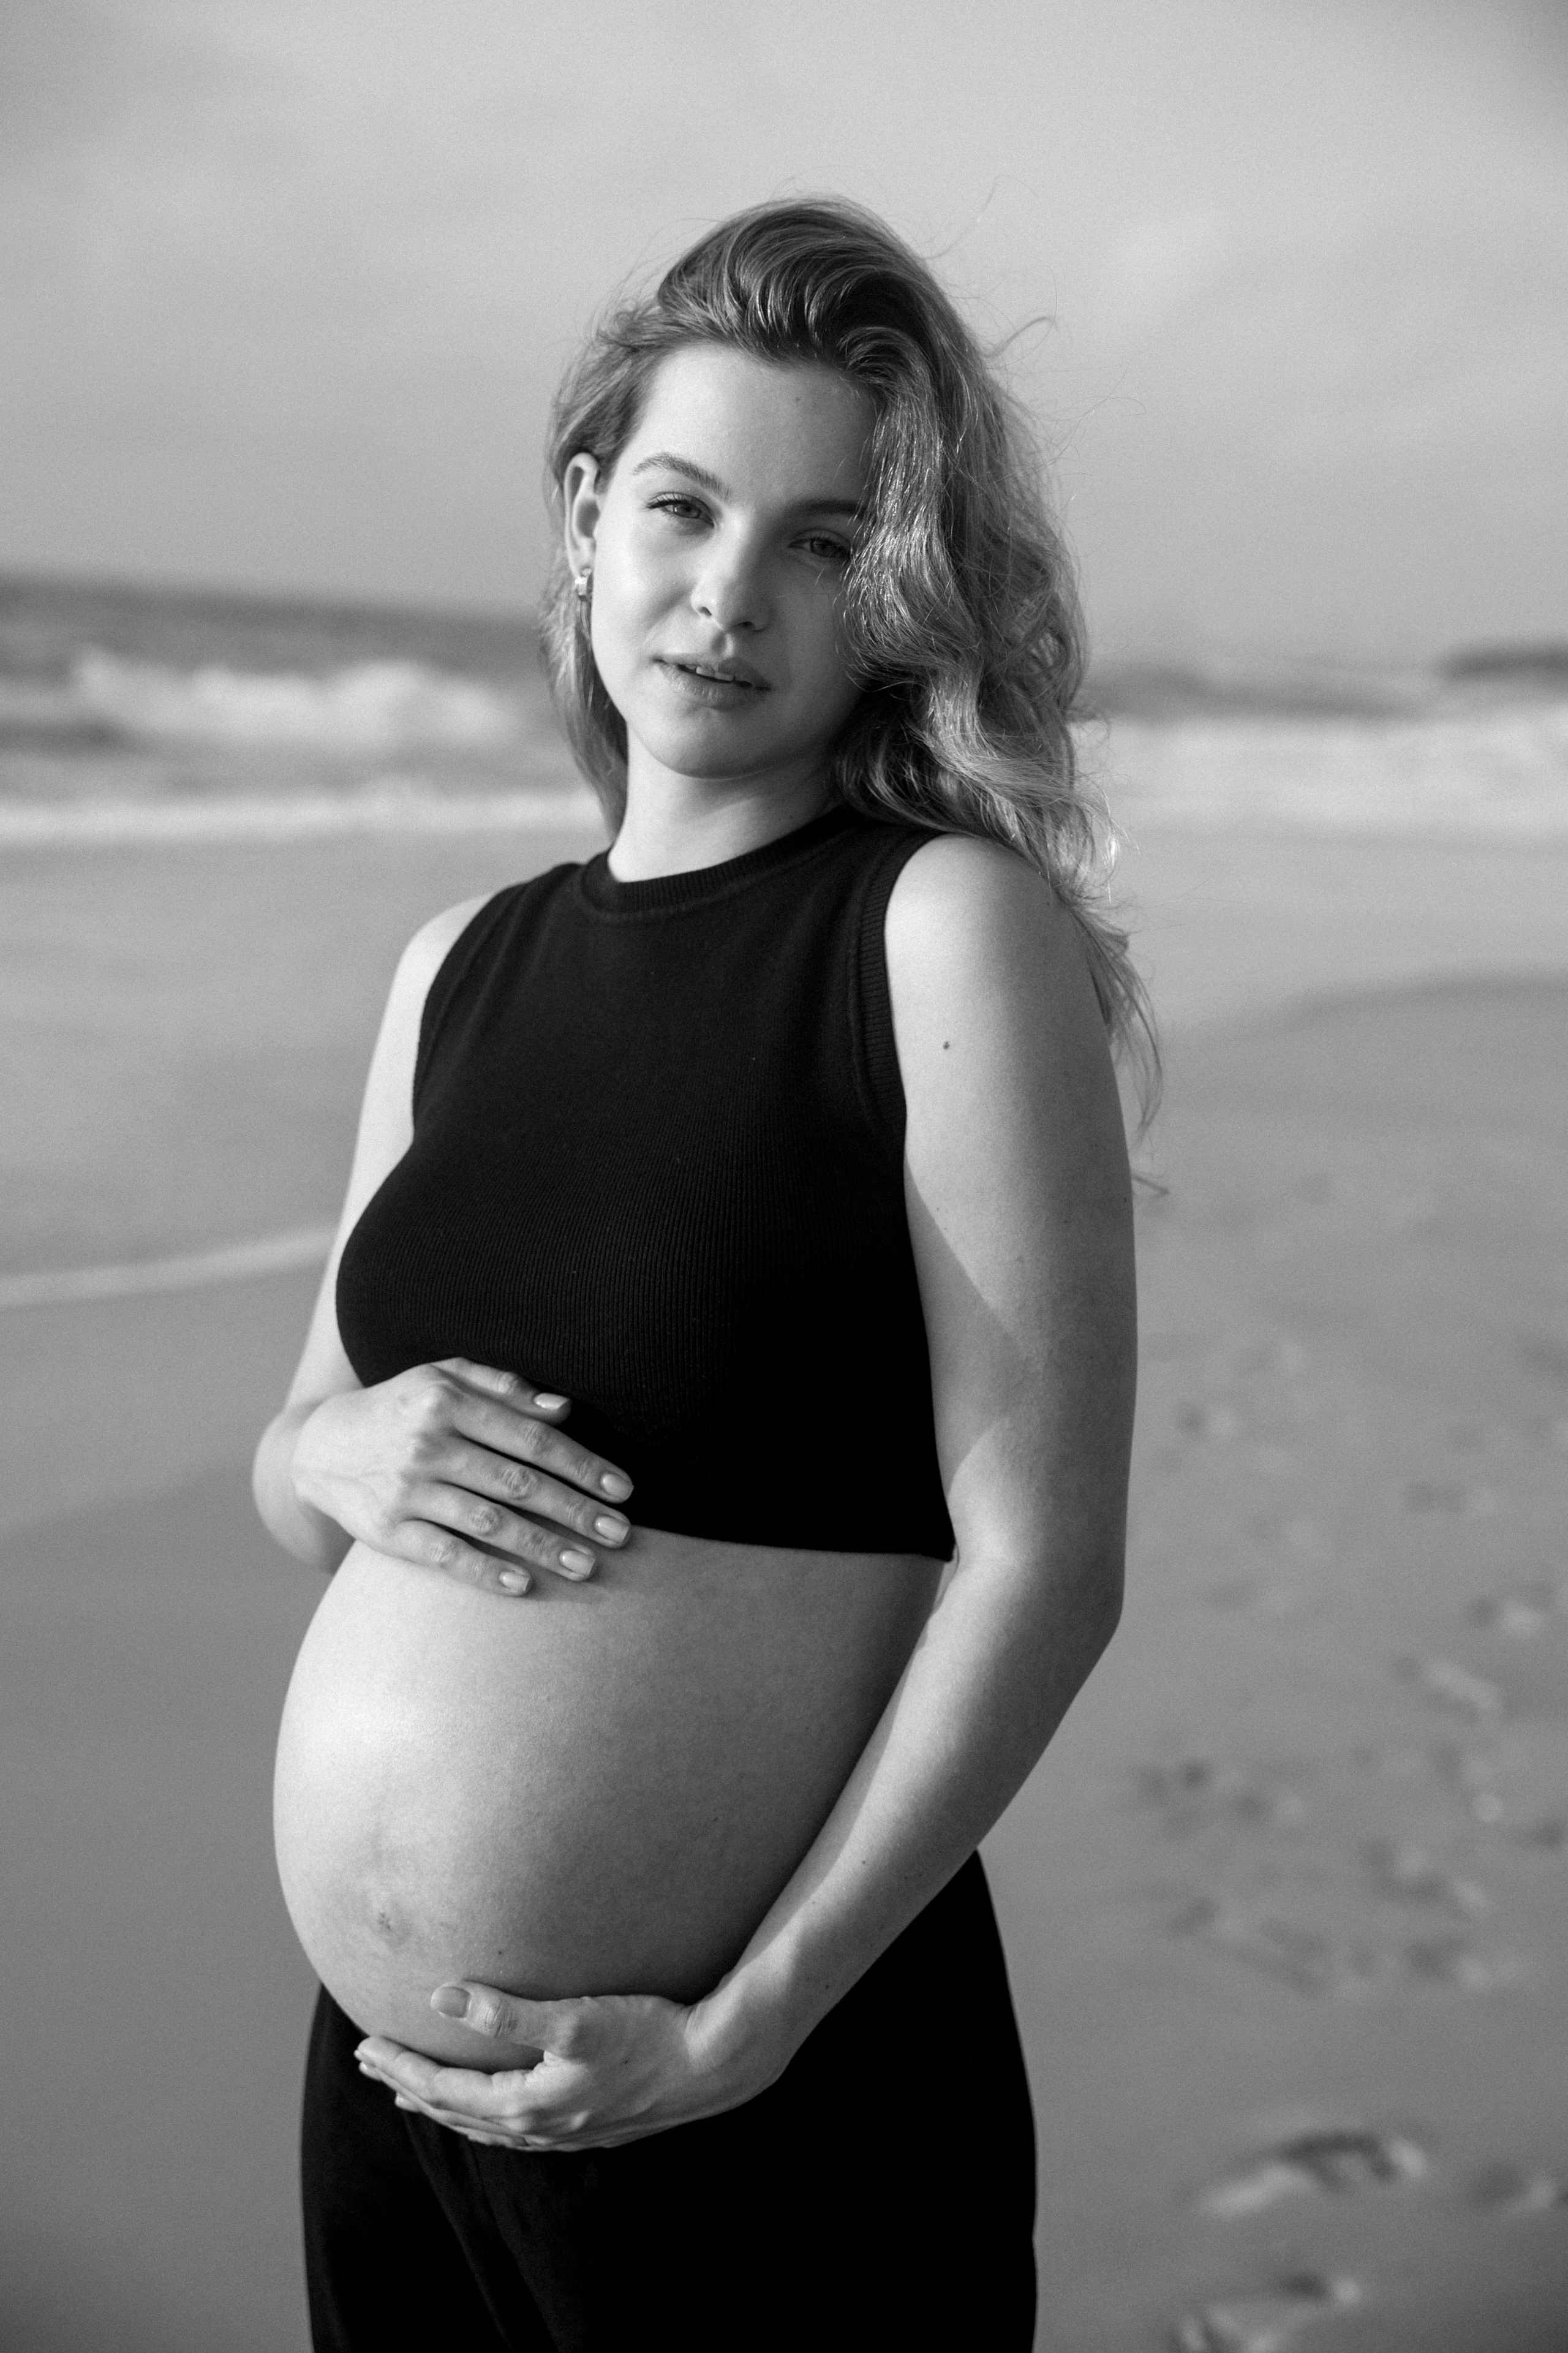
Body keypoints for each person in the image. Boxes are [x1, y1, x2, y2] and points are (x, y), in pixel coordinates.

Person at [252, 196, 1152, 2351]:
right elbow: (294, 1477)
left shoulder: (934, 933)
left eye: (828, 544)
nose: (731, 594)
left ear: (900, 596)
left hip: (764, 2091)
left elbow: (1047, 1560)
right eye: (683, 506)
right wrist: (344, 1437)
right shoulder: (456, 968)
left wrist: (749, 2021)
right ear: (587, 518)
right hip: (393, 2103)